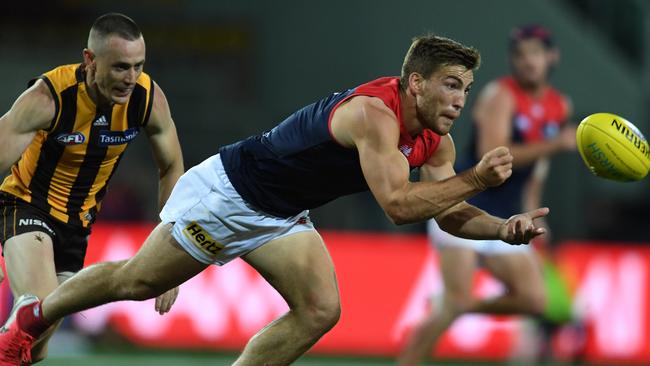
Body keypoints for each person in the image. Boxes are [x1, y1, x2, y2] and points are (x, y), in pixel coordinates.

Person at [0, 34, 549, 366]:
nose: (458, 99)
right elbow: (400, 206)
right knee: (138, 283)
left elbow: (448, 211)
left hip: (281, 214)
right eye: (450, 84)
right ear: (415, 83)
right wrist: (477, 179)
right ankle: (33, 315)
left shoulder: (436, 141)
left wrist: (502, 230)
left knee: (320, 310)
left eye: (466, 88)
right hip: (230, 192)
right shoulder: (373, 115)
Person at [0, 13, 184, 364]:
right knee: (34, 313)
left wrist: (170, 255)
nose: (131, 78)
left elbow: (172, 167)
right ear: (89, 60)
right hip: (26, 207)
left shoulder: (147, 99)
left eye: (138, 66)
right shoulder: (48, 98)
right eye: (120, 67)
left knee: (31, 350)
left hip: (78, 225)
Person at [397, 25, 576, 366]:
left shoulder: (558, 105)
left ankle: (455, 303)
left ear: (552, 57)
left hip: (506, 215)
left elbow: (537, 166)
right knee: (453, 305)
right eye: (520, 54)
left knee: (533, 300)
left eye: (535, 53)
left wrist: (532, 205)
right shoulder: (501, 95)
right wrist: (556, 143)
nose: (528, 62)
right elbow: (494, 154)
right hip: (463, 208)